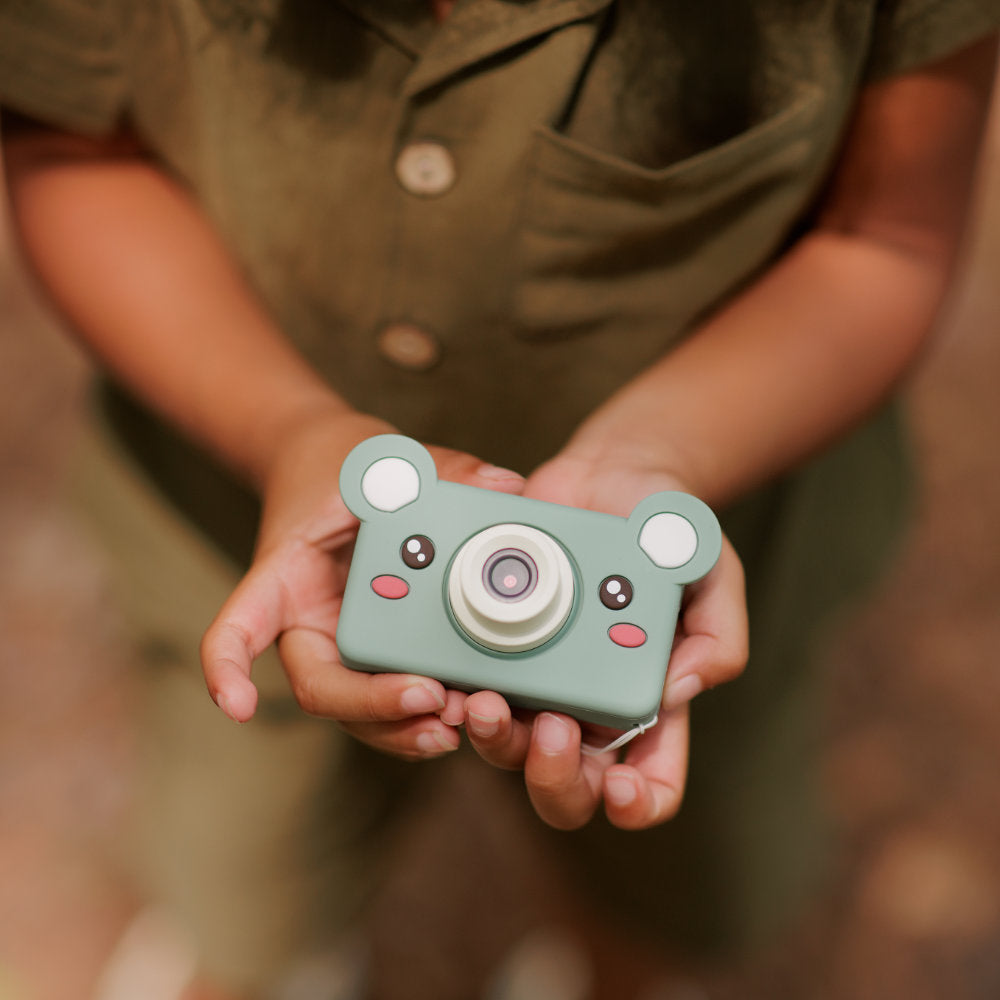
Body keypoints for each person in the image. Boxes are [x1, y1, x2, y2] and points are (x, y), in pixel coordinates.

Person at [1, 2, 997, 997]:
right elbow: (75, 151)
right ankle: (254, 962)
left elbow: (885, 234)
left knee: (671, 864)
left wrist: (667, 449)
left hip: (682, 585)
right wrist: (285, 431)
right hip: (236, 526)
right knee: (245, 846)